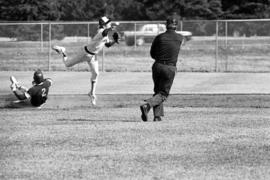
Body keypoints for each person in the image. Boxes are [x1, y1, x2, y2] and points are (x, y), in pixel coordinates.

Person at [52, 16, 119, 105]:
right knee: (67, 64)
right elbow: (105, 32)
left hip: (93, 56)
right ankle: (63, 51)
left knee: (96, 73)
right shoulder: (101, 32)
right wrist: (111, 28)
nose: (110, 24)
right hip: (84, 53)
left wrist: (115, 40)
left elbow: (107, 45)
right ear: (104, 25)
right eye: (108, 23)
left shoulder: (105, 33)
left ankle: (92, 93)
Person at [140, 16, 184, 122]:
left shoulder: (159, 37)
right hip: (170, 67)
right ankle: (147, 105)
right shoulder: (180, 38)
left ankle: (157, 116)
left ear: (166, 25)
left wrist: (159, 59)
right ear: (176, 26)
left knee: (157, 91)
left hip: (157, 66)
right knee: (163, 93)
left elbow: (152, 53)